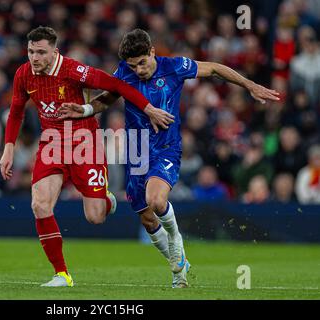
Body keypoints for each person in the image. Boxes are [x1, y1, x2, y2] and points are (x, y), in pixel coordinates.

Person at [60, 29, 280, 288]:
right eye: (133, 65)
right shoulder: (123, 72)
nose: (139, 70)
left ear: (153, 52)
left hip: (166, 147)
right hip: (136, 151)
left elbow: (215, 69)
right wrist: (85, 109)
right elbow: (107, 99)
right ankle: (179, 268)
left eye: (142, 62)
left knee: (156, 199)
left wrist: (249, 85)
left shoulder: (175, 67)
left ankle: (176, 241)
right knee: (147, 218)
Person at [0, 26, 172, 287]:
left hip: (84, 144)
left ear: (54, 52)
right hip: (52, 143)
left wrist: (149, 109)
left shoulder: (73, 71)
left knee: (95, 217)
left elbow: (117, 85)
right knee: (40, 205)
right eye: (31, 51)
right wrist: (8, 148)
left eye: (41, 52)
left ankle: (107, 201)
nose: (34, 57)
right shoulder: (23, 74)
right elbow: (15, 112)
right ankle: (62, 274)